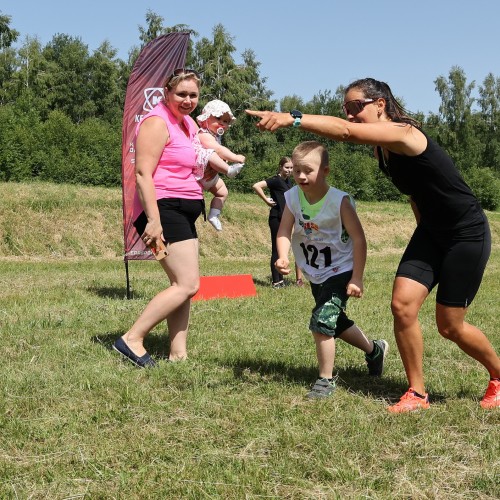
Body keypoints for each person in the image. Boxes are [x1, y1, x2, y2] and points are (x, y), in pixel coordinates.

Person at [247, 77, 500, 411]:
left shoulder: (404, 134)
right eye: (346, 110)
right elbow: (415, 193)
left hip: (466, 233)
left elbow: (346, 133)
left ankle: (498, 376)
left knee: (449, 326)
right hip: (432, 233)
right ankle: (417, 393)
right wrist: (424, 231)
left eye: (355, 107)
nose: (350, 116)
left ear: (380, 104)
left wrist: (292, 118)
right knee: (402, 306)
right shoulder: (383, 151)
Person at [275, 141, 389, 399]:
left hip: (342, 269)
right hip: (316, 270)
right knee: (335, 322)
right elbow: (284, 229)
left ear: (325, 171)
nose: (301, 176)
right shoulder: (293, 197)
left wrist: (357, 277)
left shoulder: (340, 202)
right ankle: (374, 350)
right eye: (296, 171)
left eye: (308, 170)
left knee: (322, 321)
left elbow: (359, 240)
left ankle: (325, 380)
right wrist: (283, 256)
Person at [113, 68, 205, 368]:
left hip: (182, 210)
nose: (188, 100)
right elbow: (142, 174)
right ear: (167, 93)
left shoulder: (188, 124)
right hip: (162, 212)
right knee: (187, 284)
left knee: (182, 284)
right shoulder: (156, 121)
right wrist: (153, 221)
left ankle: (178, 354)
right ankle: (132, 338)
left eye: (193, 95)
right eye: (181, 94)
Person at [252, 156, 304, 288]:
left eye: (291, 168)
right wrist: (266, 200)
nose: (289, 170)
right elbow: (256, 186)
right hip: (276, 218)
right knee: (276, 249)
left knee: (283, 251)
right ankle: (276, 281)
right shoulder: (276, 180)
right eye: (287, 167)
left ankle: (281, 279)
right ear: (280, 167)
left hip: (286, 219)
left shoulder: (288, 182)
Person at [195, 99, 246, 231]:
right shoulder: (203, 134)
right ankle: (229, 170)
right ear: (206, 118)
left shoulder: (216, 136)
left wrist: (223, 160)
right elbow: (218, 150)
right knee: (211, 153)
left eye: (226, 121)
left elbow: (220, 152)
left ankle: (214, 214)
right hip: (199, 174)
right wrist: (234, 157)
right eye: (219, 119)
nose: (222, 124)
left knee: (222, 192)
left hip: (210, 176)